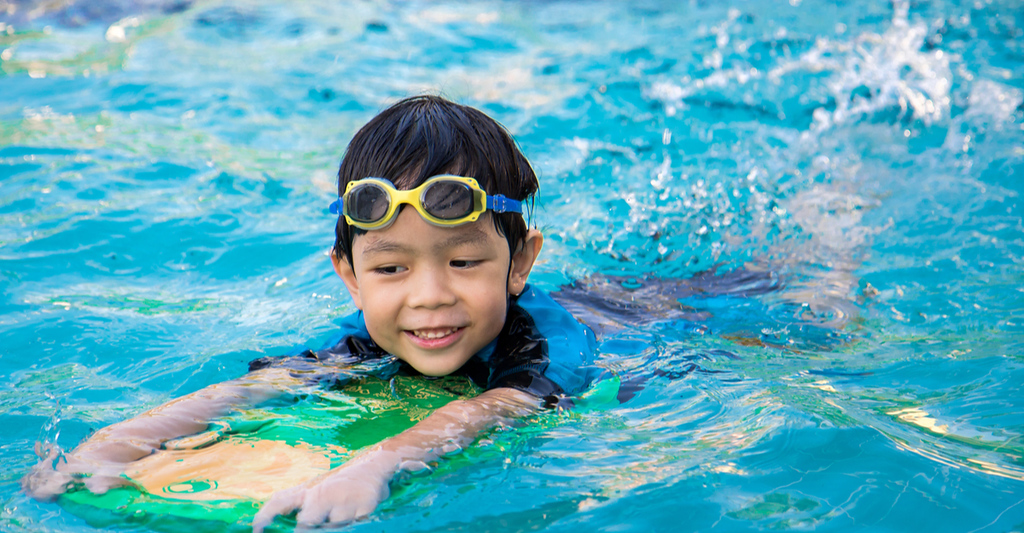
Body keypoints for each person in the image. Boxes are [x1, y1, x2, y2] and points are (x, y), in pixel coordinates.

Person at [21, 95, 601, 531]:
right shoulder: (370, 338)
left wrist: (377, 464)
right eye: (391, 270)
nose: (428, 296)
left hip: (641, 316)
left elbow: (497, 408)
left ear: (520, 262)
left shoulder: (547, 344)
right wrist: (117, 442)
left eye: (466, 261)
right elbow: (256, 388)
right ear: (349, 277)